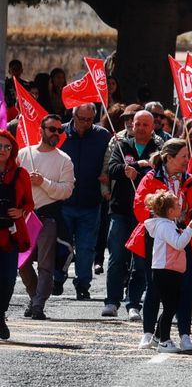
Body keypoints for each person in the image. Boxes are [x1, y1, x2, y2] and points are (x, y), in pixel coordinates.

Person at [101, 109, 165, 320]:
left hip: (146, 214)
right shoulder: (122, 144)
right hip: (120, 210)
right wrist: (130, 168)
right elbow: (112, 168)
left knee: (140, 261)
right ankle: (111, 301)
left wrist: (142, 169)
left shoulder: (158, 147)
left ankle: (134, 303)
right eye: (137, 124)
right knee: (117, 257)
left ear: (153, 126)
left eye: (145, 124)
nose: (140, 128)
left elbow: (162, 171)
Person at [17, 115, 74, 320]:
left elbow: (66, 191)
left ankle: (39, 304)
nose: (56, 134)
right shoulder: (24, 154)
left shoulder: (64, 160)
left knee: (45, 265)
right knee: (21, 263)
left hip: (47, 218)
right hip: (23, 217)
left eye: (59, 130)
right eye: (52, 129)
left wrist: (43, 182)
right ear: (41, 130)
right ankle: (34, 298)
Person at [57, 103, 112, 301]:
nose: (85, 123)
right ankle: (58, 277)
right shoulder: (60, 131)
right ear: (74, 116)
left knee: (86, 246)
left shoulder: (102, 135)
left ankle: (83, 284)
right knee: (61, 244)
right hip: (63, 200)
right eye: (82, 119)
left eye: (89, 120)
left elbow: (109, 161)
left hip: (90, 201)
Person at [141, 189, 192, 353]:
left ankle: (157, 336)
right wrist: (189, 229)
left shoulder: (168, 224)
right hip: (165, 271)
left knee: (171, 306)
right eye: (176, 205)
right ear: (169, 211)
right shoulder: (165, 226)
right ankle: (164, 340)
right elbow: (179, 243)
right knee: (169, 307)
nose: (180, 206)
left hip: (169, 270)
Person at [0, 126, 36, 340]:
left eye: (7, 147)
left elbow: (29, 203)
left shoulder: (21, 173)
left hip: (11, 234)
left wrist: (21, 210)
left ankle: (1, 313)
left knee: (7, 279)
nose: (2, 150)